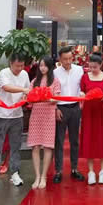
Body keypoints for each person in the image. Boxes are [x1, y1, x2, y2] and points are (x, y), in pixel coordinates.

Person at [0, 53, 31, 193]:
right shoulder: (3, 73)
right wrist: (23, 90)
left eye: (22, 65)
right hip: (2, 115)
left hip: (17, 115)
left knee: (15, 146)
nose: (20, 68)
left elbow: (27, 91)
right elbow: (6, 87)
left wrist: (25, 96)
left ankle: (15, 173)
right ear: (11, 63)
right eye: (17, 66)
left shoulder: (24, 74)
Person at [53, 46, 85, 183]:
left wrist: (82, 96)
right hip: (61, 108)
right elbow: (52, 91)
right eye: (65, 59)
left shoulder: (79, 70)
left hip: (75, 107)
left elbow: (82, 87)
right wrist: (55, 108)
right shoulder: (55, 72)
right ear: (60, 59)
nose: (68, 61)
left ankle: (74, 169)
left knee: (74, 140)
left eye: (70, 58)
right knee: (59, 140)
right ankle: (58, 171)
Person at [27, 56, 60, 189]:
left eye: (45, 65)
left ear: (50, 67)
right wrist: (32, 97)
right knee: (35, 146)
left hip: (48, 116)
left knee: (47, 146)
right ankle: (37, 176)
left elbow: (57, 98)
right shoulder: (34, 81)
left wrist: (47, 97)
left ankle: (44, 176)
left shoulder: (55, 81)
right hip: (36, 116)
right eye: (41, 65)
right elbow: (29, 99)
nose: (43, 68)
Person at [80, 53, 103, 184]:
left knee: (102, 139)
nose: (92, 69)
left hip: (102, 111)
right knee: (89, 139)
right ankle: (91, 171)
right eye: (90, 67)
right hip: (88, 111)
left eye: (95, 67)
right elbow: (82, 91)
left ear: (100, 65)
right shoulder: (84, 77)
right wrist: (82, 94)